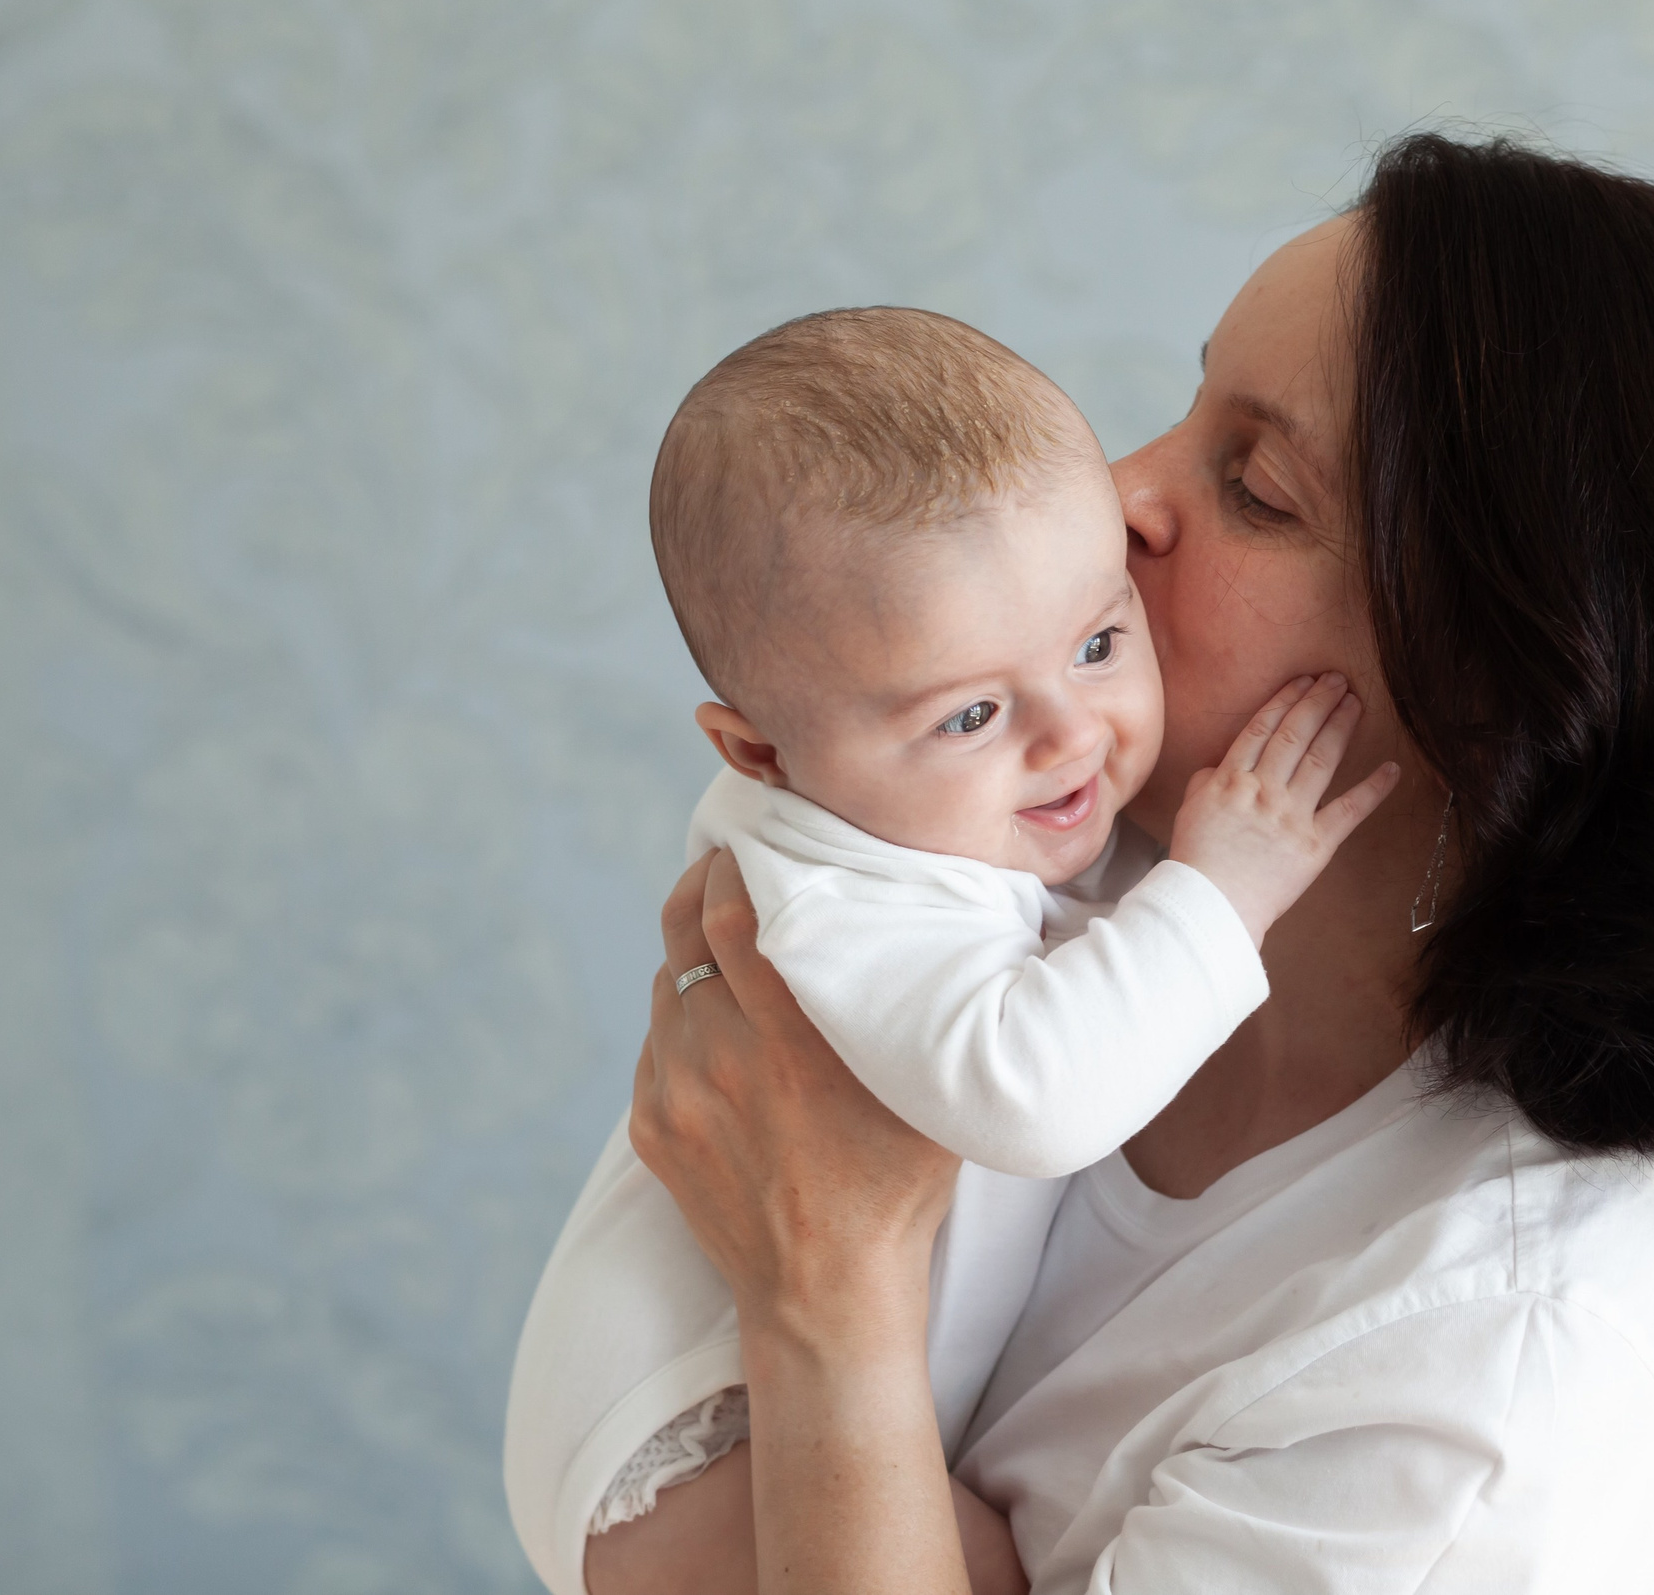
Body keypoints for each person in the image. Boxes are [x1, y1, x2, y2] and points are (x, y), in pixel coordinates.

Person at [564, 133, 1654, 1594]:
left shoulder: (1484, 1396)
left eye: (1257, 485)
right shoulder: (1052, 892)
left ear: (1502, 696)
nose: (1115, 494)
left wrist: (827, 1302)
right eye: (1183, 403)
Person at [504, 309, 1397, 1594]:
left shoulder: (946, 818)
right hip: (686, 1441)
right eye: (972, 713)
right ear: (759, 753)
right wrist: (1225, 888)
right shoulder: (835, 898)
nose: (1070, 737)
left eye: (1097, 645)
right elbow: (1032, 1094)